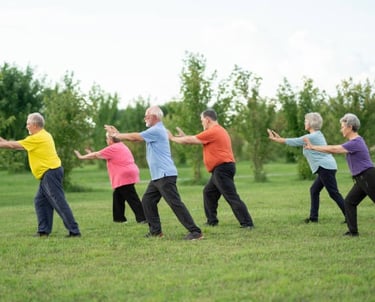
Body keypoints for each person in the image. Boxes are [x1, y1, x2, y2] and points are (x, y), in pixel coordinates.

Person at [104, 105, 203, 240]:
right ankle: (156, 231)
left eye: (147, 115)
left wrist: (116, 135)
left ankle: (195, 232)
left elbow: (135, 137)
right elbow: (136, 136)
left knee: (175, 203)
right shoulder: (156, 130)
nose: (145, 118)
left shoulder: (156, 130)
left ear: (154, 117)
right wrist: (118, 134)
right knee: (147, 201)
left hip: (164, 175)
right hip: (158, 176)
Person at [168, 109, 254, 229]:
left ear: (207, 120)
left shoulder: (214, 131)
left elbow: (190, 140)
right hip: (220, 169)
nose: (202, 123)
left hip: (222, 169)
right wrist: (184, 137)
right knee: (208, 193)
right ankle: (212, 221)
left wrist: (172, 138)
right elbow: (191, 139)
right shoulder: (217, 131)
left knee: (231, 196)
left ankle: (247, 223)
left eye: (202, 120)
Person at [0, 112, 81, 237]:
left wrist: (5, 143)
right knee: (40, 201)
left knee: (59, 201)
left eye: (28, 124)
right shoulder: (42, 136)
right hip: (49, 173)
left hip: (50, 173)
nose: (26, 126)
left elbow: (12, 145)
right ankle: (43, 231)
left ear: (34, 125)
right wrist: (3, 141)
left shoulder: (37, 138)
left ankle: (74, 231)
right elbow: (16, 146)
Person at [304, 113, 375, 237]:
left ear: (350, 127)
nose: (341, 129)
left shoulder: (356, 142)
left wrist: (313, 147)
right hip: (361, 179)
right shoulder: (354, 142)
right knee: (349, 202)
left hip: (368, 176)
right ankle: (353, 232)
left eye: (342, 126)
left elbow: (335, 149)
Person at [267, 112, 346, 223]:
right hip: (326, 167)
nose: (304, 122)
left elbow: (294, 141)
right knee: (314, 190)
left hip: (325, 167)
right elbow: (294, 141)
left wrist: (277, 139)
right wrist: (281, 139)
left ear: (311, 123)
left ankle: (349, 216)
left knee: (333, 193)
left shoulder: (311, 137)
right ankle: (313, 218)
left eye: (306, 121)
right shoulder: (316, 135)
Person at [74, 132, 146, 224]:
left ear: (111, 140)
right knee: (118, 195)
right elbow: (99, 155)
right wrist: (91, 154)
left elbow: (96, 155)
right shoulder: (121, 145)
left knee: (131, 197)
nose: (106, 140)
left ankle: (143, 218)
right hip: (129, 173)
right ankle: (119, 219)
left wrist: (81, 157)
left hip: (124, 175)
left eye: (107, 139)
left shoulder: (113, 148)